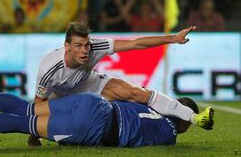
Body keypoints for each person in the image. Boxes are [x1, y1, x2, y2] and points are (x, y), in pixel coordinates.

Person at [28, 21, 213, 146]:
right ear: (67, 46)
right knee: (70, 131)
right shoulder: (49, 68)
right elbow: (38, 104)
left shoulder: (95, 47)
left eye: (87, 45)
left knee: (135, 93)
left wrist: (172, 38)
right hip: (61, 97)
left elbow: (136, 44)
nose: (85, 51)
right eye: (79, 46)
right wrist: (34, 132)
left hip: (89, 83)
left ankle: (192, 117)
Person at [0, 79, 211, 147]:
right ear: (185, 123)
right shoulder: (170, 135)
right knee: (25, 124)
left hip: (95, 103)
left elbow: (141, 99)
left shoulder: (153, 105)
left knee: (25, 107)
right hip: (94, 128)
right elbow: (176, 122)